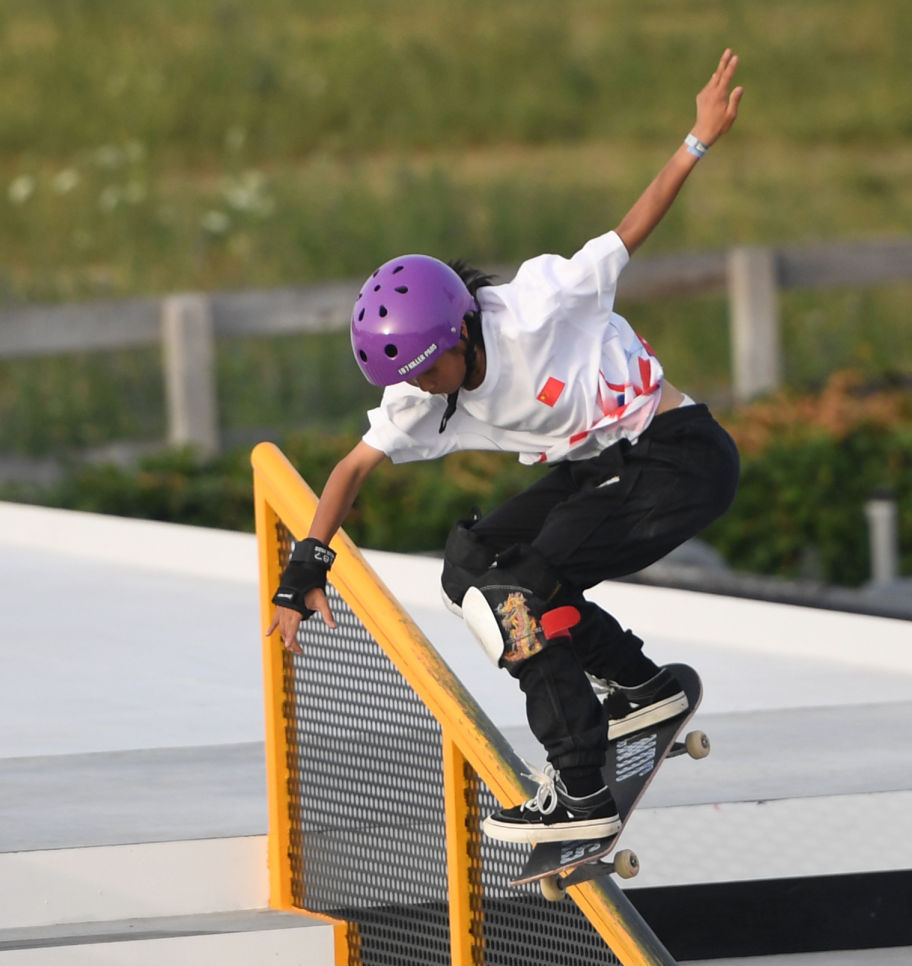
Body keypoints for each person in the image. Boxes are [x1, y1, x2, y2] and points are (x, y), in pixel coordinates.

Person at [268, 49, 744, 845]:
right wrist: (304, 563)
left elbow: (630, 231)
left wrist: (696, 140)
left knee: (517, 588)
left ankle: (581, 789)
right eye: (411, 381)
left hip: (677, 459)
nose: (422, 391)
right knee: (473, 563)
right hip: (598, 469)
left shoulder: (537, 304)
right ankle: (638, 687)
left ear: (460, 328)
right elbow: (354, 466)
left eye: (431, 371)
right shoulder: (421, 390)